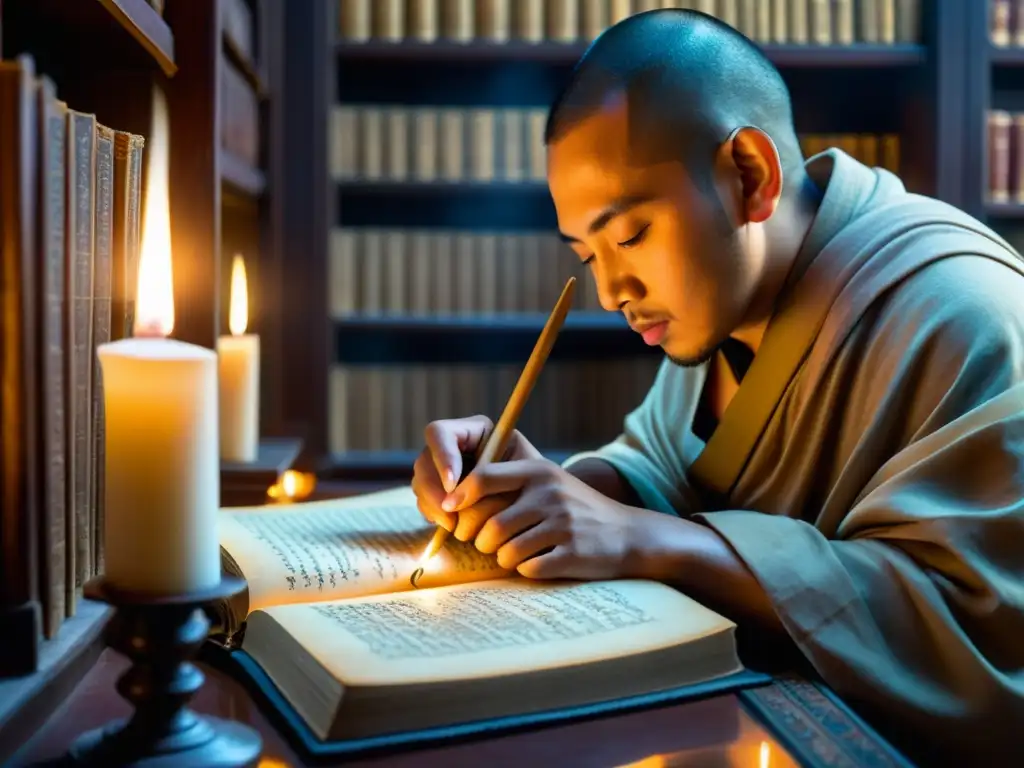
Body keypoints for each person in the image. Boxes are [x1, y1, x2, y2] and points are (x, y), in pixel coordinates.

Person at [410, 9, 1024, 765]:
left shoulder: (966, 313)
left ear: (750, 177)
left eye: (630, 235)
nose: (611, 292)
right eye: (587, 253)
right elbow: (664, 467)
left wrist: (646, 539)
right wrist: (535, 487)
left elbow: (983, 633)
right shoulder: (732, 302)